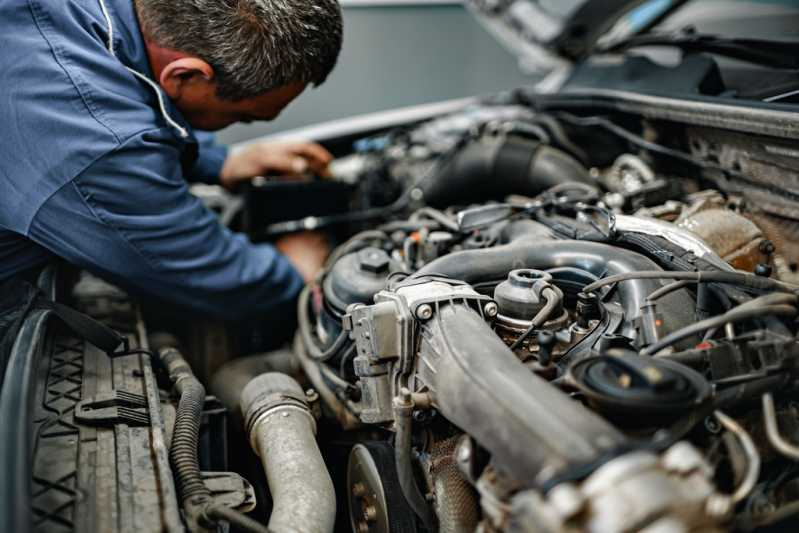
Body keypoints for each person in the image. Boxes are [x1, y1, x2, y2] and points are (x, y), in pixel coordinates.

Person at [0, 0, 343, 325]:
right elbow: (201, 276)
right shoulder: (94, 142)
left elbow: (123, 89)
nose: (245, 124)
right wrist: (291, 274)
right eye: (245, 118)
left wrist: (219, 161)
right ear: (183, 77)